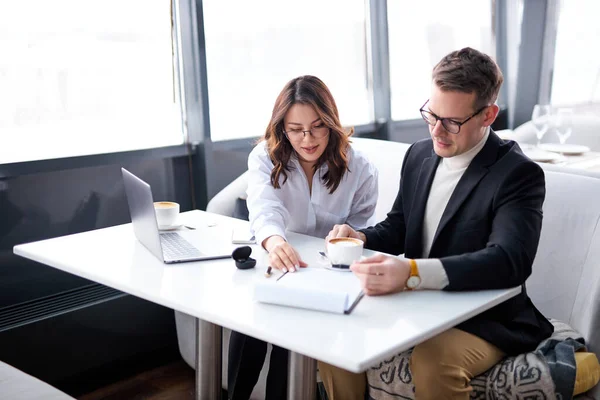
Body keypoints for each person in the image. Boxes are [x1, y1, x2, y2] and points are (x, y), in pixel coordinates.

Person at [321, 47, 554, 400]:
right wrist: (361, 236)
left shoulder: (517, 175)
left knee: (432, 362)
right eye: (432, 115)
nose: (437, 132)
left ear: (488, 115)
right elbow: (399, 226)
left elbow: (509, 261)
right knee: (335, 340)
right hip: (417, 306)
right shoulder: (418, 155)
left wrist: (412, 272)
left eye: (452, 122)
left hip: (487, 318)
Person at [227, 75, 379, 400]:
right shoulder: (264, 158)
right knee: (249, 323)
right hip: (279, 265)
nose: (307, 139)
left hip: (327, 278)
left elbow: (362, 230)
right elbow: (264, 209)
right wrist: (275, 242)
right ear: (282, 128)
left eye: (317, 126)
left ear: (332, 123)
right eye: (295, 129)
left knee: (290, 339)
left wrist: (353, 236)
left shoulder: (361, 169)